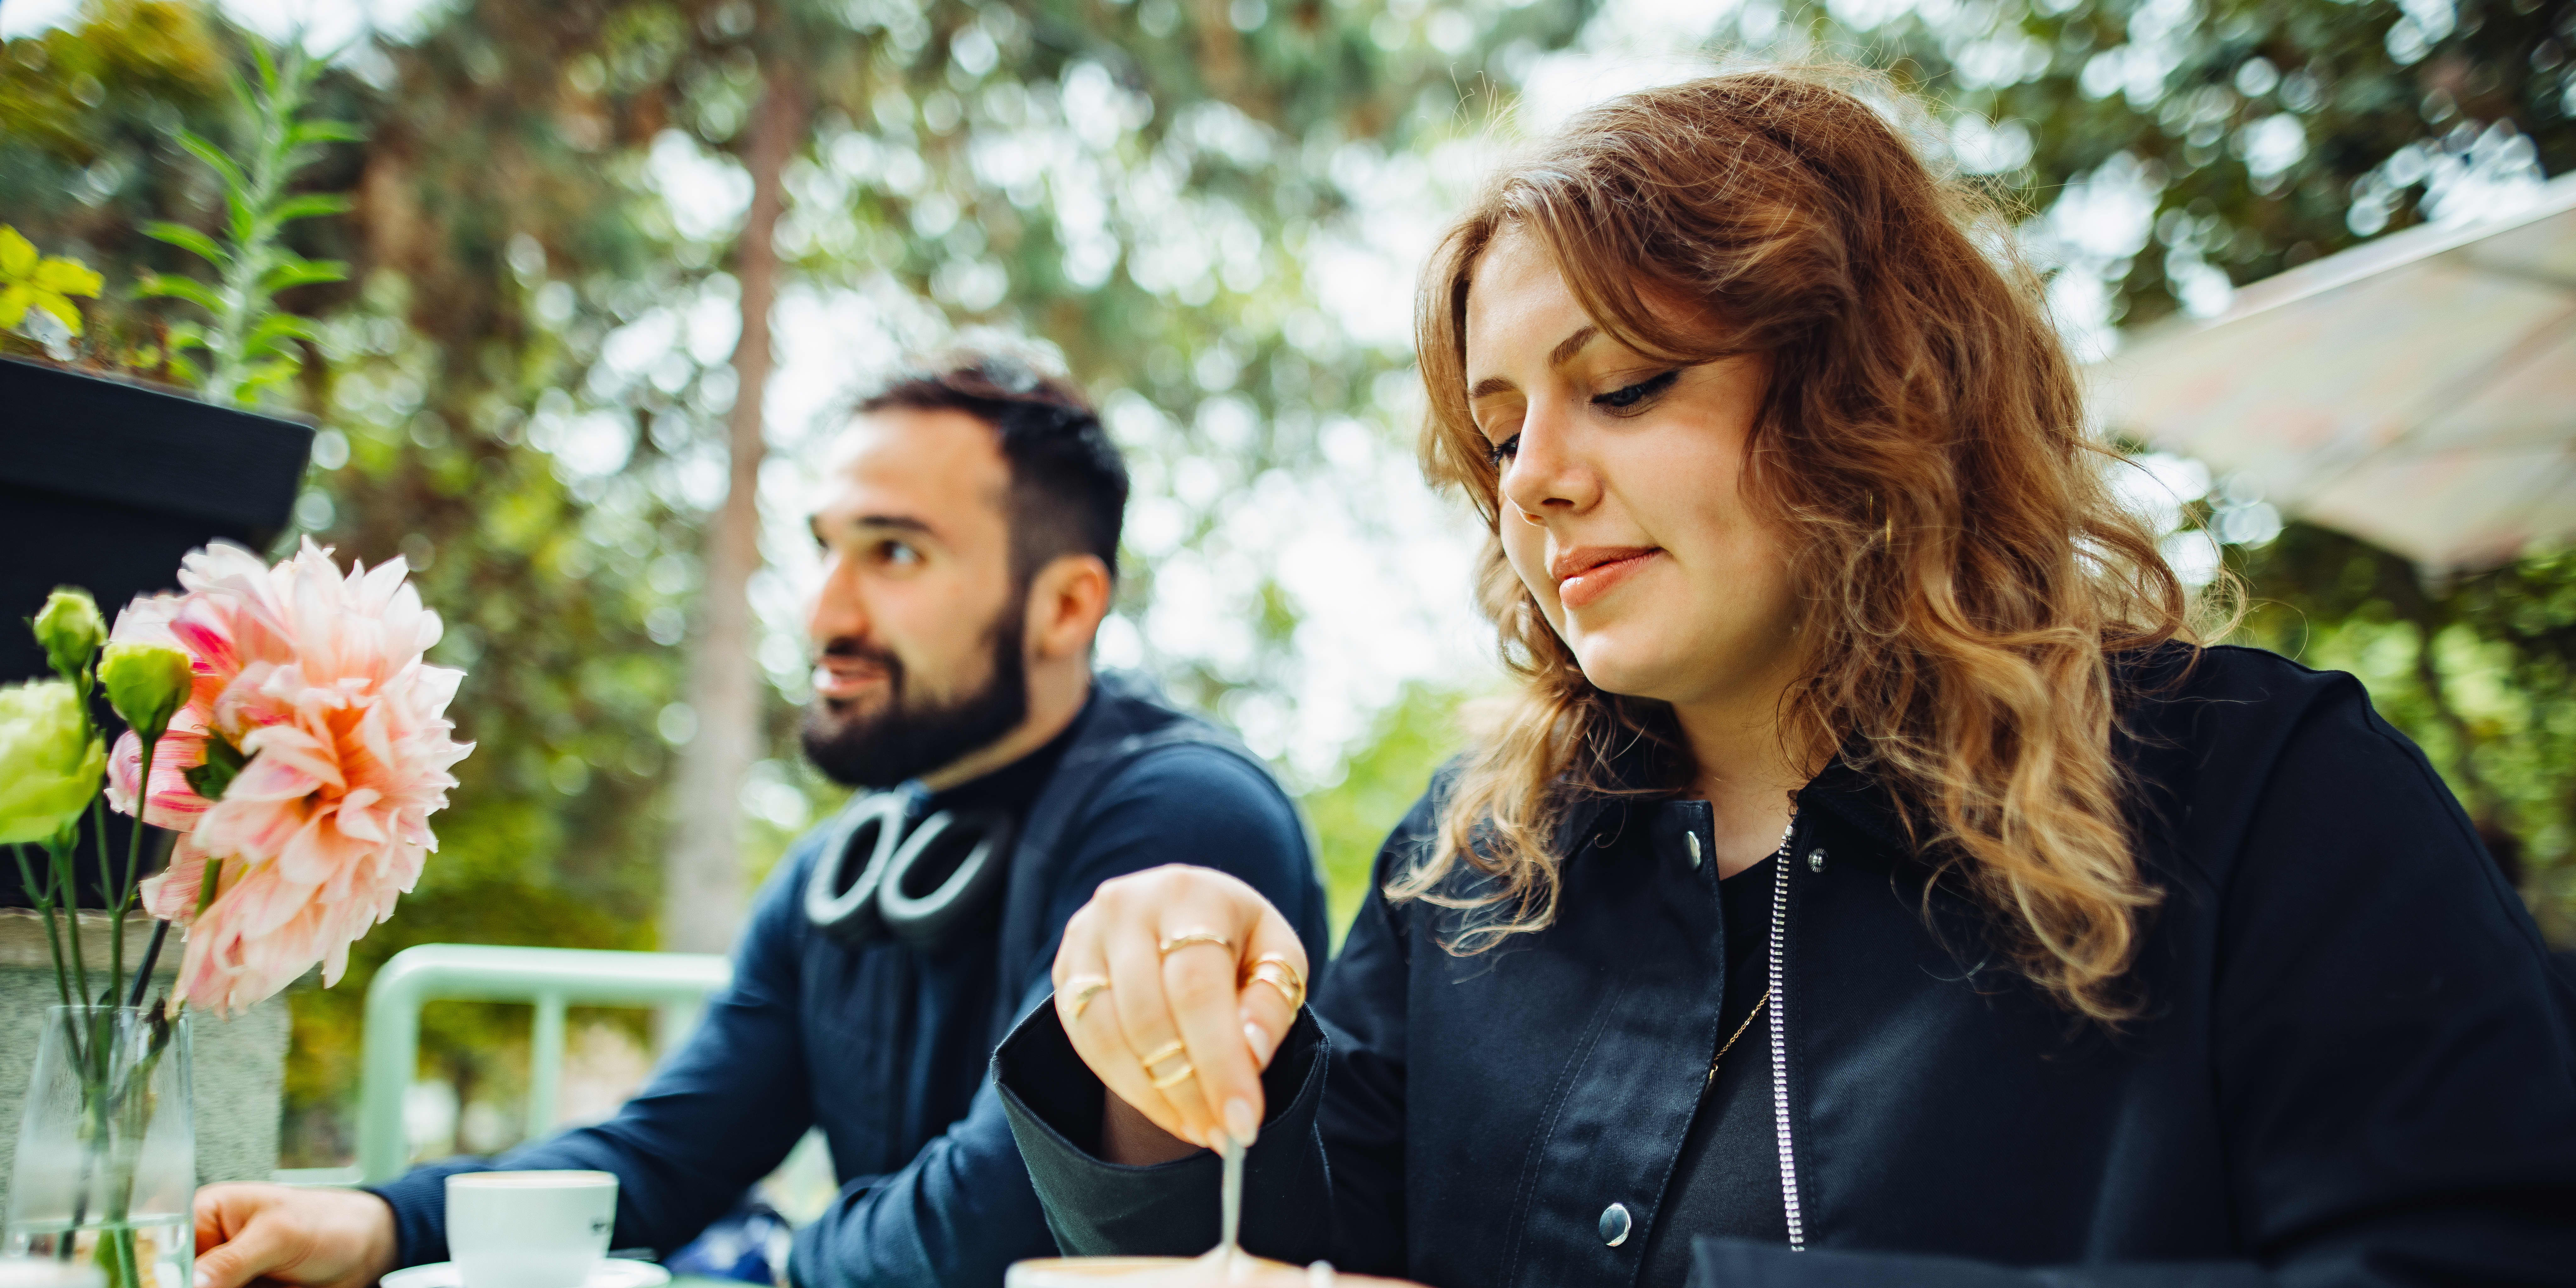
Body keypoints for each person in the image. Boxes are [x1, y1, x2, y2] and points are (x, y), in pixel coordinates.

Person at [989, 72, 2576, 1287]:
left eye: (1621, 385)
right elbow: (1314, 1234)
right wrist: (1144, 1034)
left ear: (1871, 381)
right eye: (1495, 431)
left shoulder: (2264, 796)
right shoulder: (1472, 865)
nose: (1532, 476)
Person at [188, 353, 1329, 1288]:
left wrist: (772, 1262)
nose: (827, 610)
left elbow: (1000, 1222)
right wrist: (379, 1225)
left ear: (1067, 604)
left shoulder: (1186, 819)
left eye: (893, 553)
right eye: (825, 550)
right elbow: (670, 1152)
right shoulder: (839, 865)